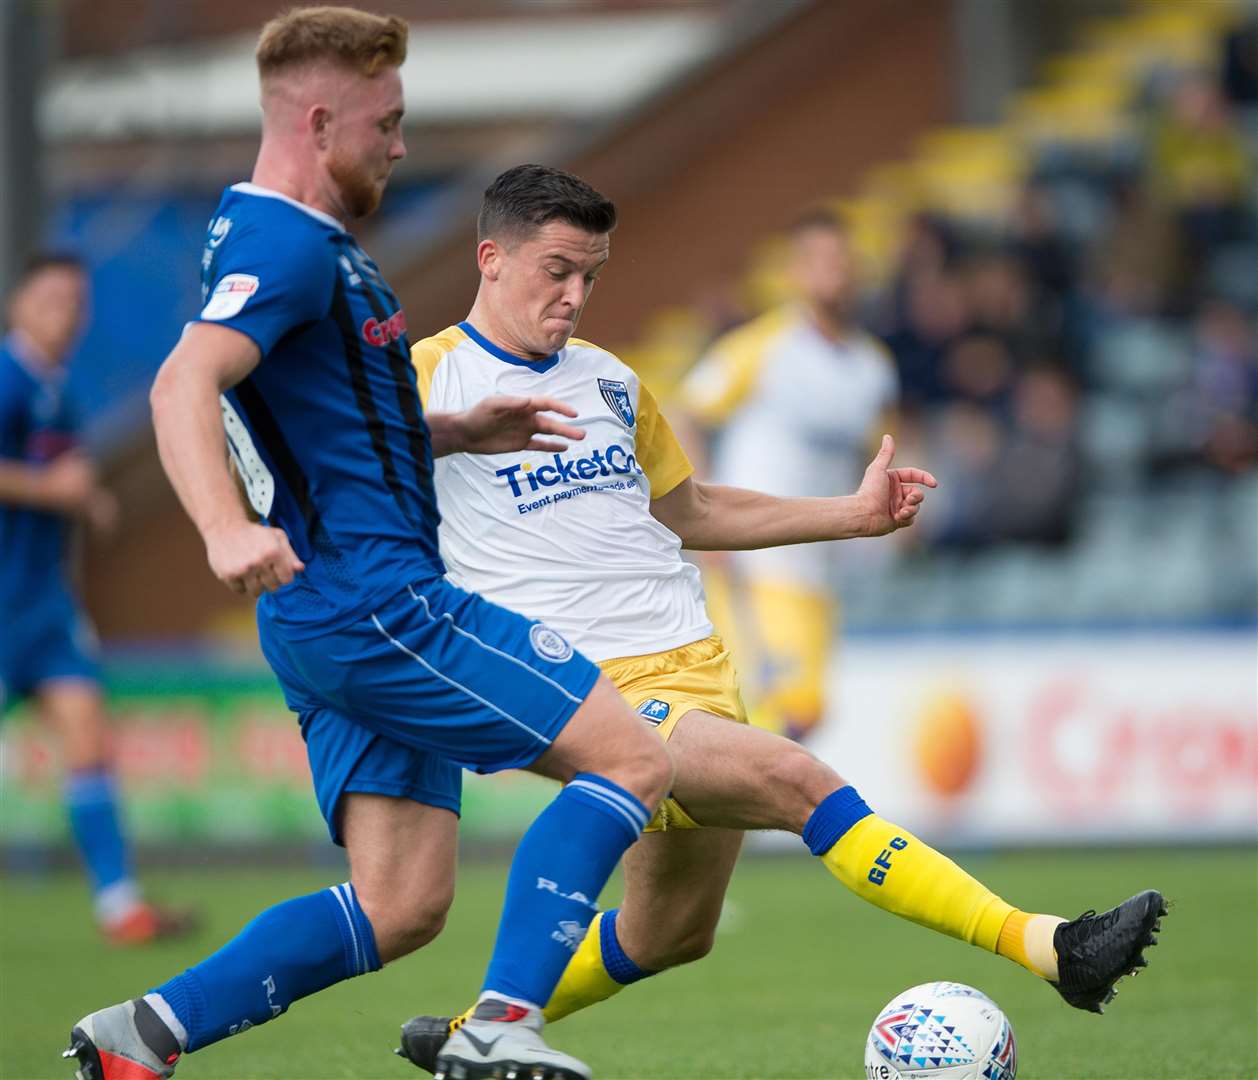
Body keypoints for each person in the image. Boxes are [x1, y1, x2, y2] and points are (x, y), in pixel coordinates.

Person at [395, 164, 1167, 1073]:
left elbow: (695, 512)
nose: (573, 296)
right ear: (491, 258)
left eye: (590, 275)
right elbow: (326, 474)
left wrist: (852, 514)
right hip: (589, 687)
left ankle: (457, 1040)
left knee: (669, 934)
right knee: (802, 782)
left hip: (697, 671)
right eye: (556, 270)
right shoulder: (426, 378)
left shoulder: (611, 383)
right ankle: (1052, 949)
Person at [62, 13, 671, 1080]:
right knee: (631, 756)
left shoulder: (284, 239)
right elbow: (182, 382)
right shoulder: (286, 245)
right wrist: (219, 529)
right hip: (374, 602)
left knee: (401, 905)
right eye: (387, 123)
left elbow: (311, 419)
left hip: (326, 609)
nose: (398, 144)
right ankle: (501, 1027)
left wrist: (451, 431)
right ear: (318, 119)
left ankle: (141, 1036)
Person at [0, 253, 195, 945]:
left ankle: (120, 906)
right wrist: (54, 489)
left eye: (77, 303)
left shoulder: (59, 390)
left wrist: (87, 498)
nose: (67, 316)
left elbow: (57, 477)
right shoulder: (7, 375)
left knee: (88, 738)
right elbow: (40, 480)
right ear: (19, 304)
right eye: (52, 299)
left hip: (43, 607)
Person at [679, 210, 899, 742]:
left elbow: (881, 451)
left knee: (806, 715)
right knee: (772, 714)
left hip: (820, 565)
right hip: (757, 559)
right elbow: (687, 414)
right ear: (795, 272)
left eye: (842, 261)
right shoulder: (762, 346)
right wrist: (700, 517)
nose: (833, 273)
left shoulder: (872, 366)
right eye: (819, 261)